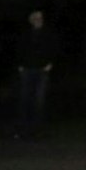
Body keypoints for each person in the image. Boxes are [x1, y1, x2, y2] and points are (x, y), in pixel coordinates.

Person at [17, 9, 57, 137]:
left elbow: (54, 48)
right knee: (25, 98)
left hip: (42, 70)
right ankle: (24, 126)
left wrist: (50, 63)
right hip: (27, 69)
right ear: (31, 20)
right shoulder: (26, 33)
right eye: (36, 18)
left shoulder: (48, 33)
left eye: (40, 18)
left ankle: (37, 128)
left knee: (39, 99)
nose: (38, 20)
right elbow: (20, 49)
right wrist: (20, 65)